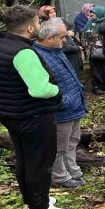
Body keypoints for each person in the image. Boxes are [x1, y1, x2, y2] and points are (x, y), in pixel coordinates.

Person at [0, 6, 74, 209]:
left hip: (9, 112)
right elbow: (40, 90)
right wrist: (57, 90)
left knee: (25, 158)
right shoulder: (23, 53)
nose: (40, 26)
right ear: (30, 27)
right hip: (32, 115)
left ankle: (32, 199)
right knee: (40, 162)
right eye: (38, 23)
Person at [33, 18, 87, 189]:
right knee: (59, 146)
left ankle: (73, 170)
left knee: (72, 141)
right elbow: (42, 87)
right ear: (49, 38)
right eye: (62, 37)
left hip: (73, 106)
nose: (64, 41)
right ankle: (60, 176)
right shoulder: (39, 56)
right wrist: (64, 101)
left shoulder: (56, 51)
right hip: (61, 109)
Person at [82, 6, 105, 94]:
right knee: (95, 69)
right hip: (93, 51)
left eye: (93, 13)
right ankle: (97, 87)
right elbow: (84, 35)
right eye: (91, 13)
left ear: (100, 13)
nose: (91, 15)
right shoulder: (90, 23)